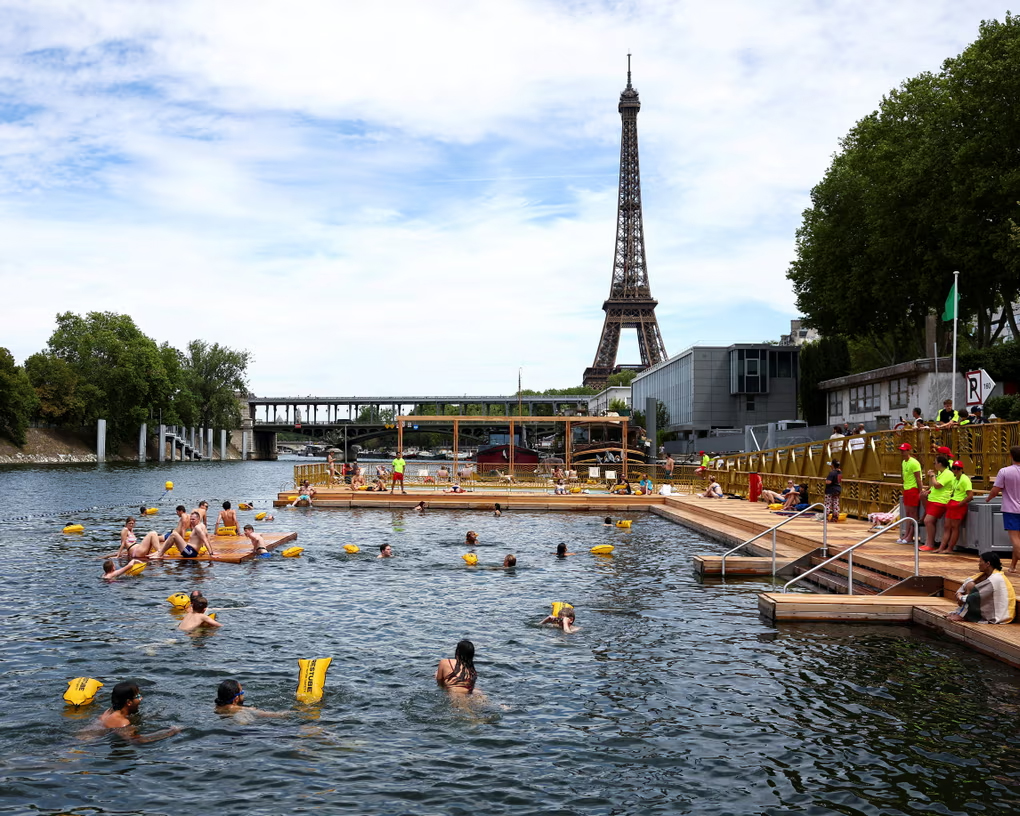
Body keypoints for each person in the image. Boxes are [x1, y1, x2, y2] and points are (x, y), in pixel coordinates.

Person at [94, 682, 181, 742]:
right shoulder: (122, 722)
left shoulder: (110, 711)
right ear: (129, 702)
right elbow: (138, 740)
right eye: (138, 696)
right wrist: (171, 732)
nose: (141, 698)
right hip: (90, 745)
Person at [947, 553, 1016, 623]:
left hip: (1000, 613)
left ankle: (963, 615)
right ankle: (962, 614)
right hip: (992, 606)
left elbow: (978, 595)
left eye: (980, 561)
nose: (978, 564)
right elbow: (969, 584)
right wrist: (960, 594)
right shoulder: (986, 575)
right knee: (970, 585)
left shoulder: (995, 578)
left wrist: (961, 597)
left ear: (988, 563)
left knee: (972, 597)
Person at [986, 445, 1020, 572]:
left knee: (1015, 539)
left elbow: (996, 490)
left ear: (1011, 456)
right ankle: (1013, 566)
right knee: (1018, 540)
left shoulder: (1004, 471)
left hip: (1011, 509)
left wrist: (989, 498)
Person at [919, 455, 954, 551]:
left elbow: (938, 485)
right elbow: (933, 485)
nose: (934, 465)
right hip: (933, 499)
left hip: (940, 501)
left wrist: (933, 476)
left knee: (928, 521)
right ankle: (927, 542)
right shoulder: (940, 473)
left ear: (940, 463)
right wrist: (928, 490)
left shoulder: (948, 473)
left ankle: (930, 544)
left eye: (935, 463)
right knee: (929, 521)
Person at [938, 461, 973, 554]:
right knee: (947, 526)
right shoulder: (954, 479)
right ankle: (941, 547)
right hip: (952, 503)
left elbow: (970, 495)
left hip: (958, 504)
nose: (956, 470)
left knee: (954, 527)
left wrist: (960, 504)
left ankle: (950, 548)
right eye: (954, 468)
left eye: (958, 469)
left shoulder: (965, 479)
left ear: (962, 469)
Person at [214, 679, 287, 718]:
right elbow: (276, 715)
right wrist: (294, 713)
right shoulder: (242, 709)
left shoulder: (216, 708)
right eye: (242, 692)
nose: (243, 694)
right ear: (236, 699)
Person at [897, 443, 923, 544]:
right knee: (908, 513)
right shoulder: (904, 462)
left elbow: (918, 478)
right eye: (901, 450)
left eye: (904, 450)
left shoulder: (914, 463)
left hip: (913, 489)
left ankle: (910, 535)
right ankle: (907, 534)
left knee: (913, 514)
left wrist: (920, 491)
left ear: (909, 451)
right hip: (906, 489)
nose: (902, 452)